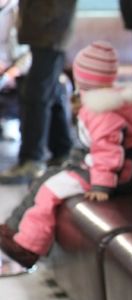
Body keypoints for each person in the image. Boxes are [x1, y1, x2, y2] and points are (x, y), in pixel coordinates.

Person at [0, 41, 132, 268]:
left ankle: (28, 248)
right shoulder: (101, 103)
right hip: (100, 168)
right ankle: (13, 230)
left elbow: (108, 150)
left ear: (83, 79)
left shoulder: (102, 111)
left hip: (114, 176)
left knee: (50, 191)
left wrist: (102, 185)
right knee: (47, 177)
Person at [0, 0, 77, 184]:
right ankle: (61, 151)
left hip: (48, 29)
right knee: (49, 91)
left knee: (37, 94)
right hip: (43, 30)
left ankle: (32, 160)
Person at [0, 0, 31, 140]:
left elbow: (32, 54)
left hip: (18, 72)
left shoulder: (23, 12)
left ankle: (11, 119)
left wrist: (12, 71)